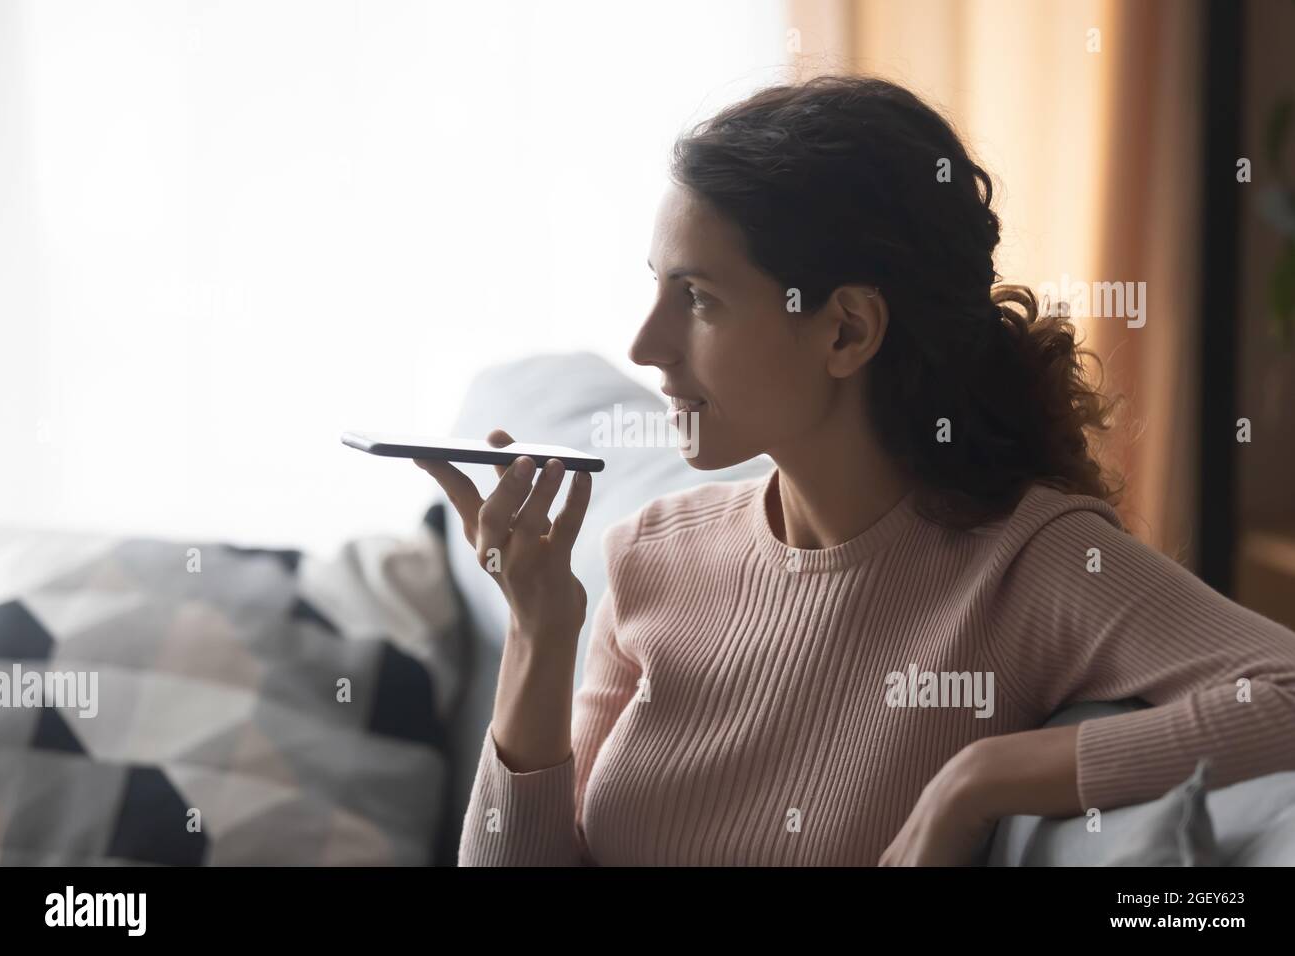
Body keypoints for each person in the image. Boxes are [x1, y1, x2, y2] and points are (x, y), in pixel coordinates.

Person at [420, 75, 1295, 866]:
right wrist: (540, 633)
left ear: (845, 331)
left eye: (698, 299)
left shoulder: (1028, 568)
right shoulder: (650, 555)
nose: (645, 346)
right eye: (657, 289)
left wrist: (984, 778)